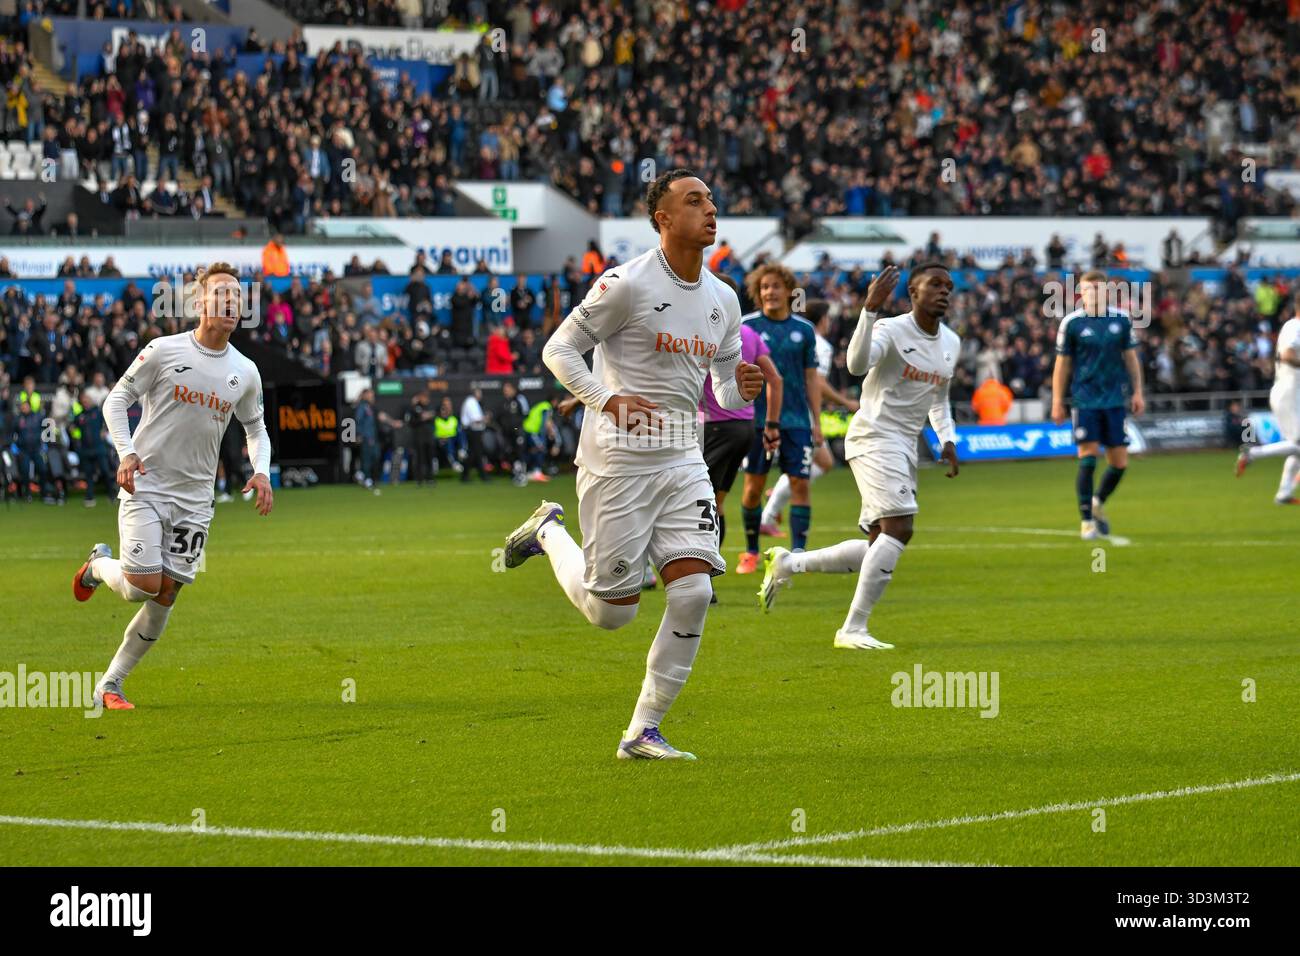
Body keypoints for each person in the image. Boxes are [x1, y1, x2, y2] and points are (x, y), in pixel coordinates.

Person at [502, 169, 763, 760]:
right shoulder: (625, 284)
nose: (710, 209)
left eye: (712, 200)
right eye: (693, 201)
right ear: (663, 218)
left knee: (694, 591)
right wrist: (607, 399)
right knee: (610, 614)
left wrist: (742, 389)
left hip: (682, 457)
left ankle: (642, 731)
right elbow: (558, 349)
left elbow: (722, 389)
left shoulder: (724, 299)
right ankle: (547, 530)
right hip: (617, 462)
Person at [71, 264, 274, 710]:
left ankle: (110, 685)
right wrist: (126, 452)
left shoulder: (245, 371)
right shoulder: (163, 351)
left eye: (237, 297)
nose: (229, 302)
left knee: (166, 593)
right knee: (140, 585)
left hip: (196, 500)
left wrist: (262, 470)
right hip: (147, 484)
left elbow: (256, 429)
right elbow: (116, 401)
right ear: (200, 303)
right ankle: (98, 565)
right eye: (220, 294)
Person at [759, 264, 961, 649]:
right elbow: (855, 366)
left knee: (877, 543)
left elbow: (940, 397)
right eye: (934, 284)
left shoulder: (951, 341)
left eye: (949, 287)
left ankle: (788, 563)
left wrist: (947, 438)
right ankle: (852, 628)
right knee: (900, 527)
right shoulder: (890, 329)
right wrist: (869, 310)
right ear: (913, 293)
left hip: (903, 445)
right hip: (874, 437)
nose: (944, 291)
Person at [736, 263, 821, 571]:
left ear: (788, 291)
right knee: (753, 488)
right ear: (758, 294)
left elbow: (812, 379)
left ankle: (798, 553)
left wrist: (818, 422)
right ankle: (751, 551)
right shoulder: (746, 327)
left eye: (776, 286)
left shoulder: (804, 330)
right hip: (755, 420)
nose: (770, 292)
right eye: (764, 287)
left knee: (800, 482)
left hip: (797, 421)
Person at [1050, 270, 1145, 539]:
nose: (1094, 293)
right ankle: (1086, 520)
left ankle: (1097, 501)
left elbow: (1131, 359)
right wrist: (1058, 401)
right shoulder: (1072, 323)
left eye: (1098, 289)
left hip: (1115, 399)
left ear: (1107, 292)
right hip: (1085, 399)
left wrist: (1138, 392)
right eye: (1088, 289)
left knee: (1119, 463)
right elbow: (1062, 365)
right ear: (1081, 292)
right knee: (1088, 457)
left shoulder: (1121, 320)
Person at [759, 299, 858, 535]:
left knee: (823, 462)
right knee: (813, 466)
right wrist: (846, 402)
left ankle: (778, 498)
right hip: (801, 413)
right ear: (823, 320)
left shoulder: (798, 335)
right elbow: (817, 382)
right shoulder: (820, 344)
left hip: (786, 409)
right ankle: (770, 513)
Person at [1236, 292, 1300, 503]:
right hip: (1289, 393)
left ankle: (1284, 493)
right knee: (1298, 445)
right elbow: (1288, 355)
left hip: (1292, 393)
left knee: (1297, 446)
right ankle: (1252, 453)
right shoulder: (1294, 327)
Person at [404, 389, 436, 486]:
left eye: (426, 397)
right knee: (420, 459)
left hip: (429, 436)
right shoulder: (414, 408)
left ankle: (430, 478)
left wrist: (428, 416)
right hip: (419, 436)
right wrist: (421, 418)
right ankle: (419, 479)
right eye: (423, 397)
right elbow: (411, 421)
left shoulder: (430, 407)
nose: (425, 399)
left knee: (429, 458)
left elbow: (433, 417)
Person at [460, 387, 490, 482]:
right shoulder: (471, 402)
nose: (480, 395)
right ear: (475, 394)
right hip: (473, 431)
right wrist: (486, 418)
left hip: (475, 431)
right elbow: (475, 419)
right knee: (476, 454)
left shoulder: (473, 402)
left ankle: (466, 476)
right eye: (479, 393)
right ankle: (482, 476)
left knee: (474, 454)